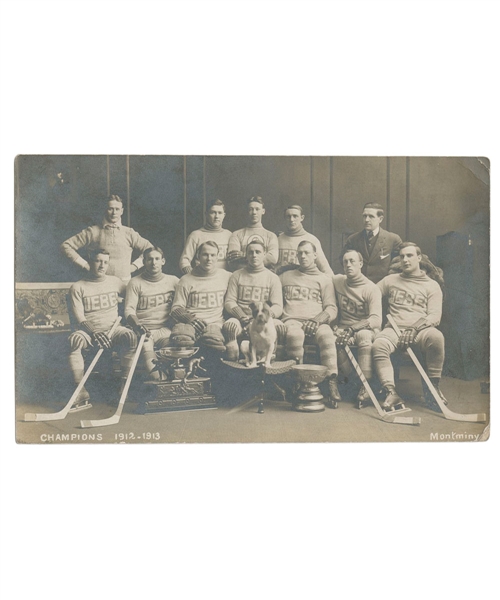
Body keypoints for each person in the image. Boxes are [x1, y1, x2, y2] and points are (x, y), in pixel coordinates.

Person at [372, 242, 447, 411]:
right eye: (402, 256)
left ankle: (432, 389)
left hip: (420, 331)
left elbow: (435, 316)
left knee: (437, 337)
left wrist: (414, 328)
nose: (405, 260)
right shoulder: (390, 280)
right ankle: (390, 392)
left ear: (419, 258)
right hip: (394, 329)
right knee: (379, 344)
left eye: (410, 255)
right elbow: (370, 294)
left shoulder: (431, 285)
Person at [67, 249, 137, 411]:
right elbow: (80, 318)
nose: (102, 265)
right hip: (89, 333)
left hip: (114, 330)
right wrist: (95, 333)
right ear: (90, 262)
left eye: (105, 262)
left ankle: (123, 388)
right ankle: (80, 390)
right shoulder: (78, 287)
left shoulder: (116, 282)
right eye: (98, 261)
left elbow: (131, 300)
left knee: (131, 337)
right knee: (74, 340)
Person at [280, 241, 340, 408]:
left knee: (328, 336)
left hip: (316, 321)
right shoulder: (285, 277)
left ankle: (331, 380)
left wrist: (318, 319)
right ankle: (295, 381)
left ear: (315, 255)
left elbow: (331, 308)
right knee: (294, 335)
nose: (303, 256)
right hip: (292, 319)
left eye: (307, 253)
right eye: (300, 253)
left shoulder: (324, 279)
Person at [61, 195, 153, 282]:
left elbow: (150, 249)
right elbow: (66, 246)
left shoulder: (129, 233)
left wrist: (135, 266)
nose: (114, 213)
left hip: (124, 284)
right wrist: (85, 265)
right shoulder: (93, 231)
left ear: (122, 211)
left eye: (117, 209)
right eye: (110, 209)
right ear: (105, 210)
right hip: (99, 283)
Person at [333, 250, 382, 406]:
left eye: (352, 261)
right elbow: (320, 271)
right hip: (343, 328)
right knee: (334, 339)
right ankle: (351, 380)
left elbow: (376, 319)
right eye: (345, 261)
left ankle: (365, 385)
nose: (348, 265)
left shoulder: (371, 288)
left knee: (364, 336)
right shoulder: (338, 281)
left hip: (364, 329)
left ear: (361, 264)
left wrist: (353, 329)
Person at [223, 240, 284, 361]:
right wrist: (242, 316)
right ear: (246, 255)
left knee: (281, 327)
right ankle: (233, 365)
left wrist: (265, 317)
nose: (254, 255)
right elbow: (229, 301)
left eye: (258, 252)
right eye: (250, 252)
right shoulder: (237, 275)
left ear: (264, 254)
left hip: (265, 320)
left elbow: (277, 305)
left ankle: (272, 364)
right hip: (241, 319)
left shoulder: (272, 278)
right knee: (229, 326)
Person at [124, 247, 179, 379]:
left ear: (163, 261)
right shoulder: (135, 282)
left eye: (157, 259)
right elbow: (129, 309)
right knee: (156, 375)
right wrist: (137, 325)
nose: (153, 263)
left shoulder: (174, 281)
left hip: (166, 329)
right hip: (144, 331)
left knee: (176, 366)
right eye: (150, 259)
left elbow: (181, 306)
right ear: (144, 262)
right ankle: (159, 381)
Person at [170, 241, 231, 353]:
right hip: (191, 324)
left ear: (217, 257)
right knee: (181, 341)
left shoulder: (226, 276)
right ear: (198, 256)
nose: (209, 259)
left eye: (213, 255)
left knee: (213, 344)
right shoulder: (186, 280)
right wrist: (191, 320)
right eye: (205, 254)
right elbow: (176, 308)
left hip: (215, 324)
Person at [342, 202, 403, 283]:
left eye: (371, 216)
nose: (366, 220)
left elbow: (399, 264)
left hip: (383, 287)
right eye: (364, 216)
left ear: (380, 219)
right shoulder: (353, 239)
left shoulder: (392, 239)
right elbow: (343, 261)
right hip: (358, 286)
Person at [277, 205, 333, 276]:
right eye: (288, 216)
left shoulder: (311, 239)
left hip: (303, 282)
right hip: (281, 281)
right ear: (285, 218)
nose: (291, 219)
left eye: (295, 216)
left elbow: (325, 268)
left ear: (302, 218)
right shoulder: (277, 239)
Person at [179, 199, 232, 274]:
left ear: (224, 215)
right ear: (206, 214)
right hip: (202, 280)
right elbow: (184, 261)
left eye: (220, 213)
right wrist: (192, 277)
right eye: (213, 212)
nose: (217, 216)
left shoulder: (229, 235)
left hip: (223, 280)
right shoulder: (196, 235)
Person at [227, 196, 279, 270]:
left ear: (263, 211)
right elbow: (233, 261)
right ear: (247, 211)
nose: (254, 212)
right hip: (242, 277)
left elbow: (272, 259)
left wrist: (244, 255)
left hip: (264, 278)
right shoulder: (236, 235)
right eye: (251, 209)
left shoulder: (271, 236)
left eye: (257, 209)